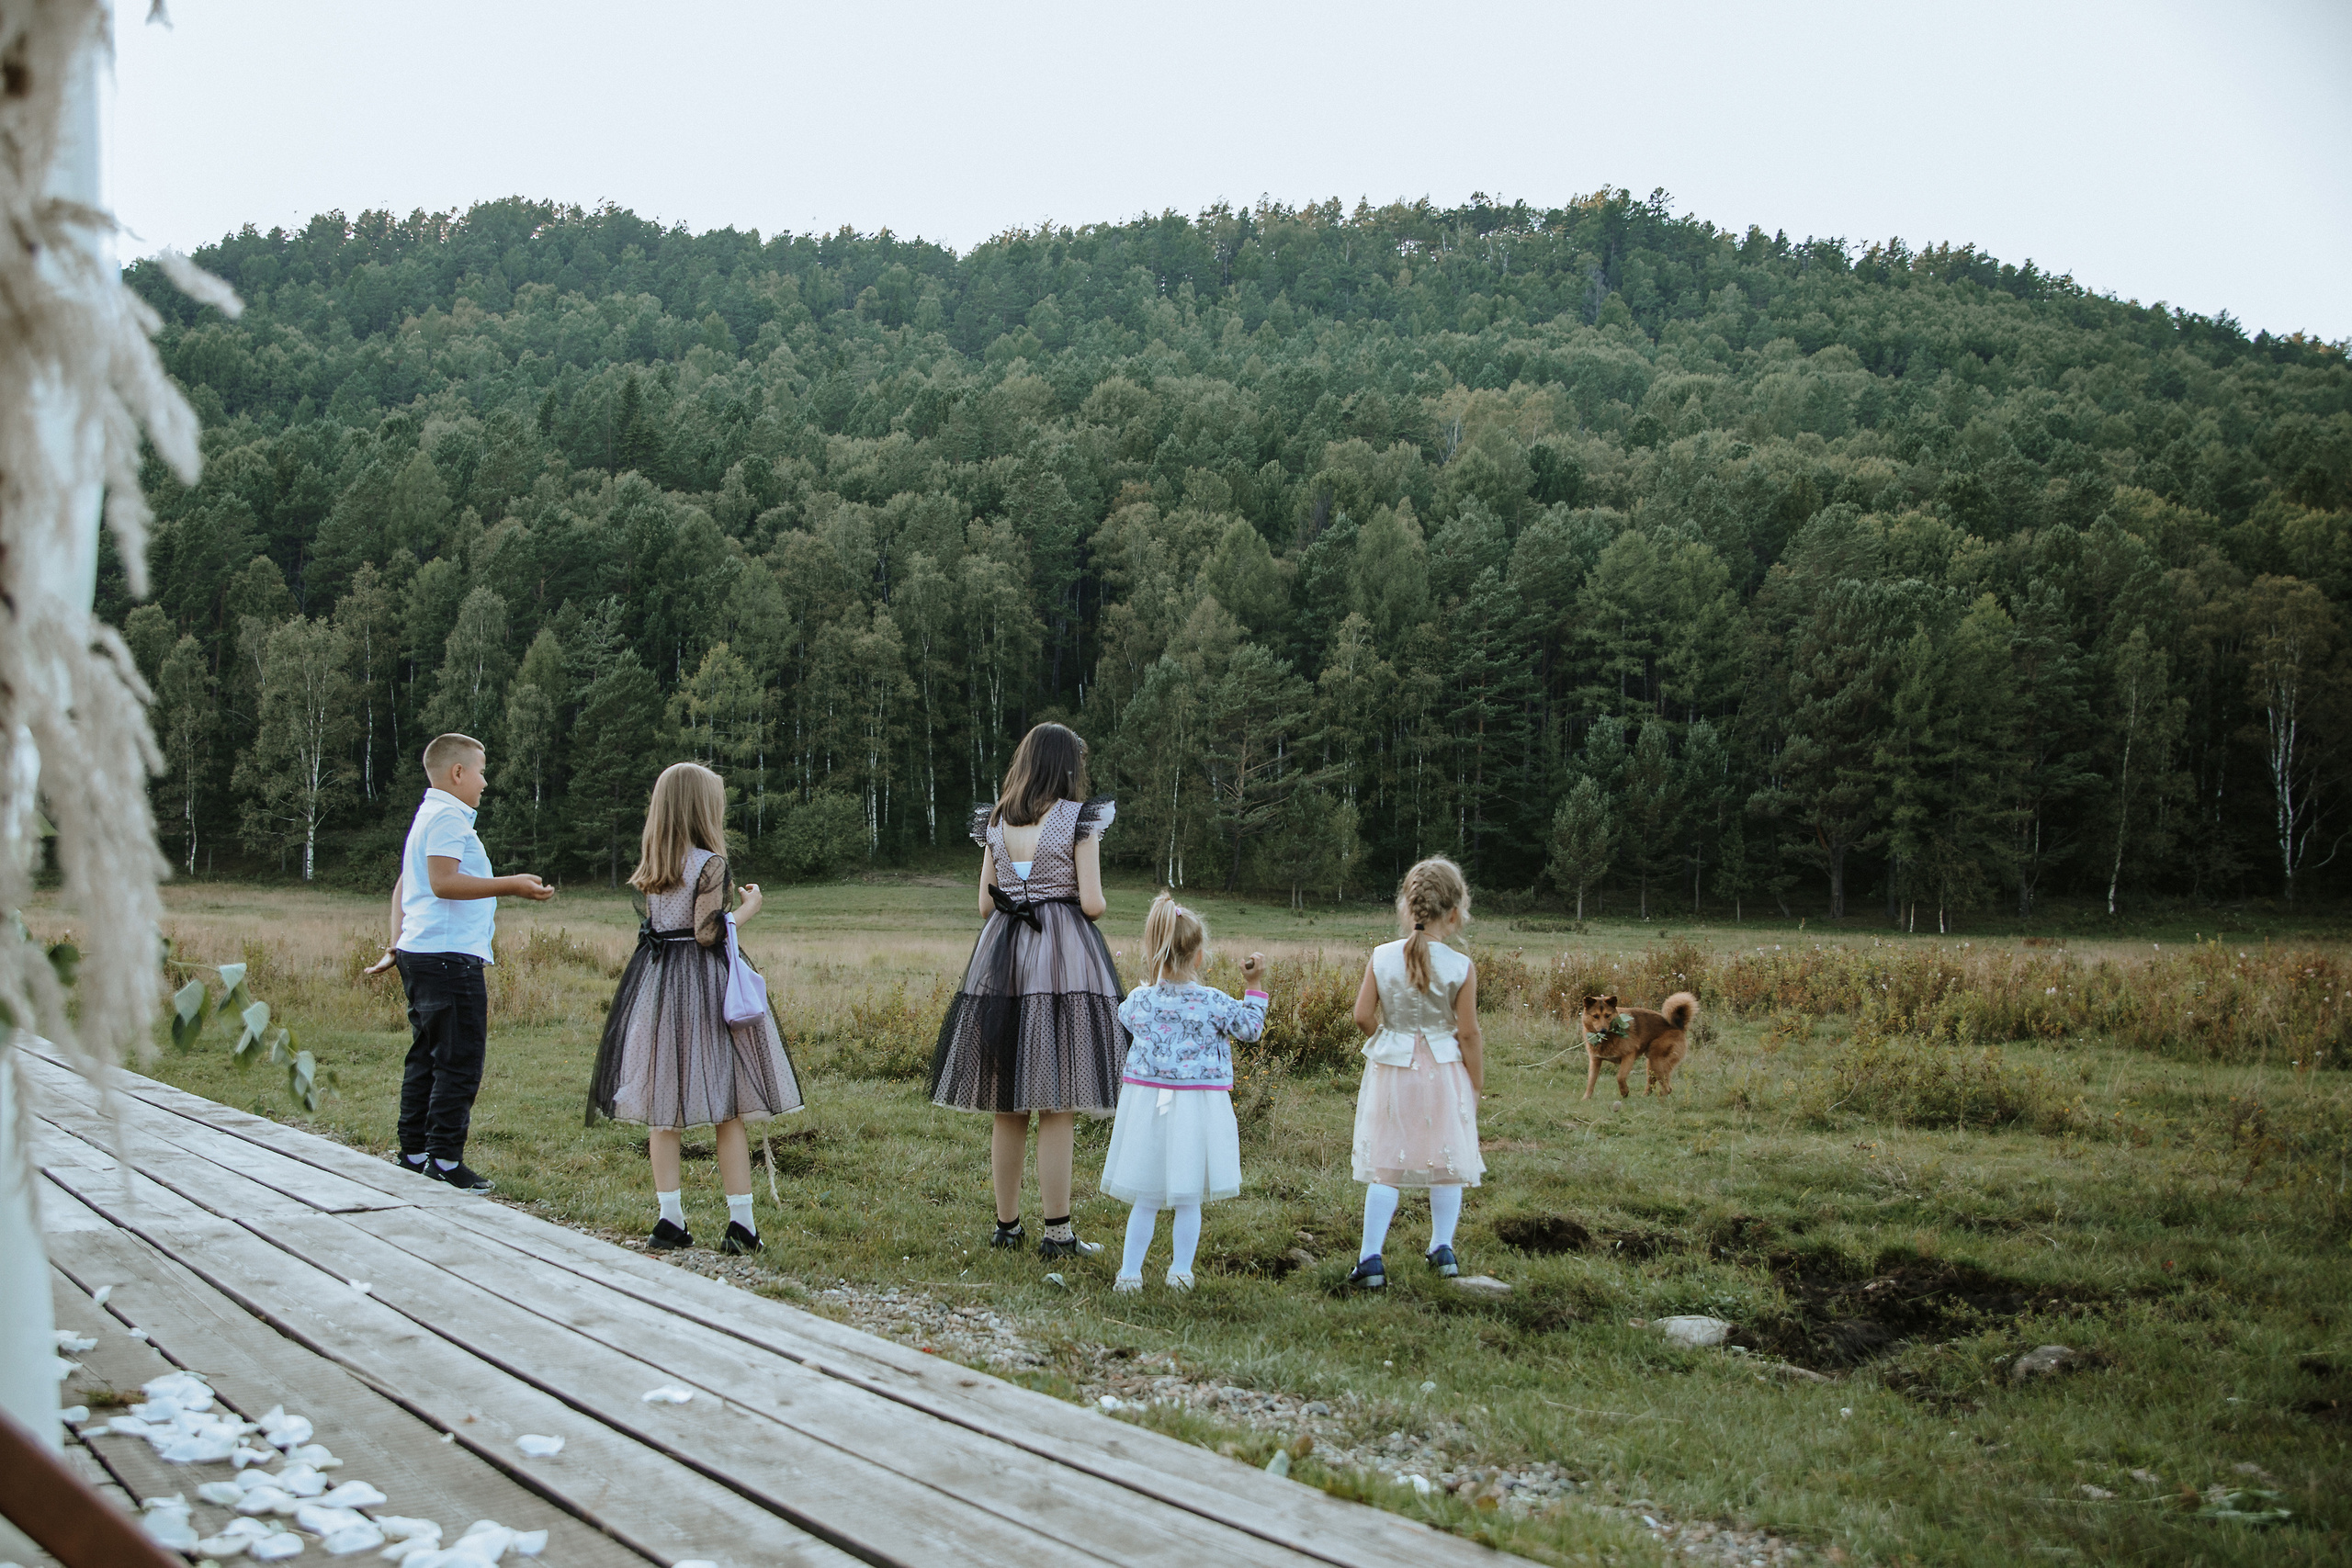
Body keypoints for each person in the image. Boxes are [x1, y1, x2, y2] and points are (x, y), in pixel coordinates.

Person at [586, 761, 804, 1254]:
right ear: (702, 809)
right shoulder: (710, 864)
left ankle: (670, 1220)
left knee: (664, 1106)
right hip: (703, 987)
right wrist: (747, 911)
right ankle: (741, 1226)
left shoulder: (654, 864)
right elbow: (707, 932)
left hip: (659, 984)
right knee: (728, 1105)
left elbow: (666, 926)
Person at [930, 722, 1125, 1259]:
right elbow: (1092, 904)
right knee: (1057, 1101)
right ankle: (1057, 1233)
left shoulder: (997, 819)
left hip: (1003, 958)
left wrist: (1021, 890)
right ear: (1067, 765)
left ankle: (1007, 1226)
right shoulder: (1078, 818)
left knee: (1007, 1101)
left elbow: (985, 905)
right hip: (1059, 960)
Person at [362, 732, 554, 1192]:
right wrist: (512, 884)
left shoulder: (429, 815)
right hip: (448, 958)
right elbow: (442, 882)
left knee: (426, 1057)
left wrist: (396, 943)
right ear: (458, 772)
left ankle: (414, 1153)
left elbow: (405, 884)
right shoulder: (448, 817)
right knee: (459, 1061)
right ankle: (445, 1161)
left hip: (422, 952)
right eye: (482, 772)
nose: (485, 783)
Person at [1102, 893, 1267, 1292]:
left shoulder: (1139, 1002)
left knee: (1146, 1196)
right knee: (1188, 1196)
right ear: (1199, 956)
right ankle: (1180, 1273)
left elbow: (1124, 1017)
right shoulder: (1214, 1002)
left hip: (1148, 1108)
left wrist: (1152, 986)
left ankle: (1129, 1275)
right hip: (1197, 1107)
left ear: (1154, 952)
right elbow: (1250, 1029)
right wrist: (1254, 983)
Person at [1345, 856, 1486, 1289]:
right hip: (1445, 1072)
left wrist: (1389, 1038)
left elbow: (1362, 1015)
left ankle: (1371, 1259)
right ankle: (1442, 1249)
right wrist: (1476, 1083)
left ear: (1407, 907)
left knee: (1386, 1165)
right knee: (1446, 1161)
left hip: (1394, 1070)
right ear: (1455, 913)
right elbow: (1468, 1033)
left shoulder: (1382, 957)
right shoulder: (1461, 966)